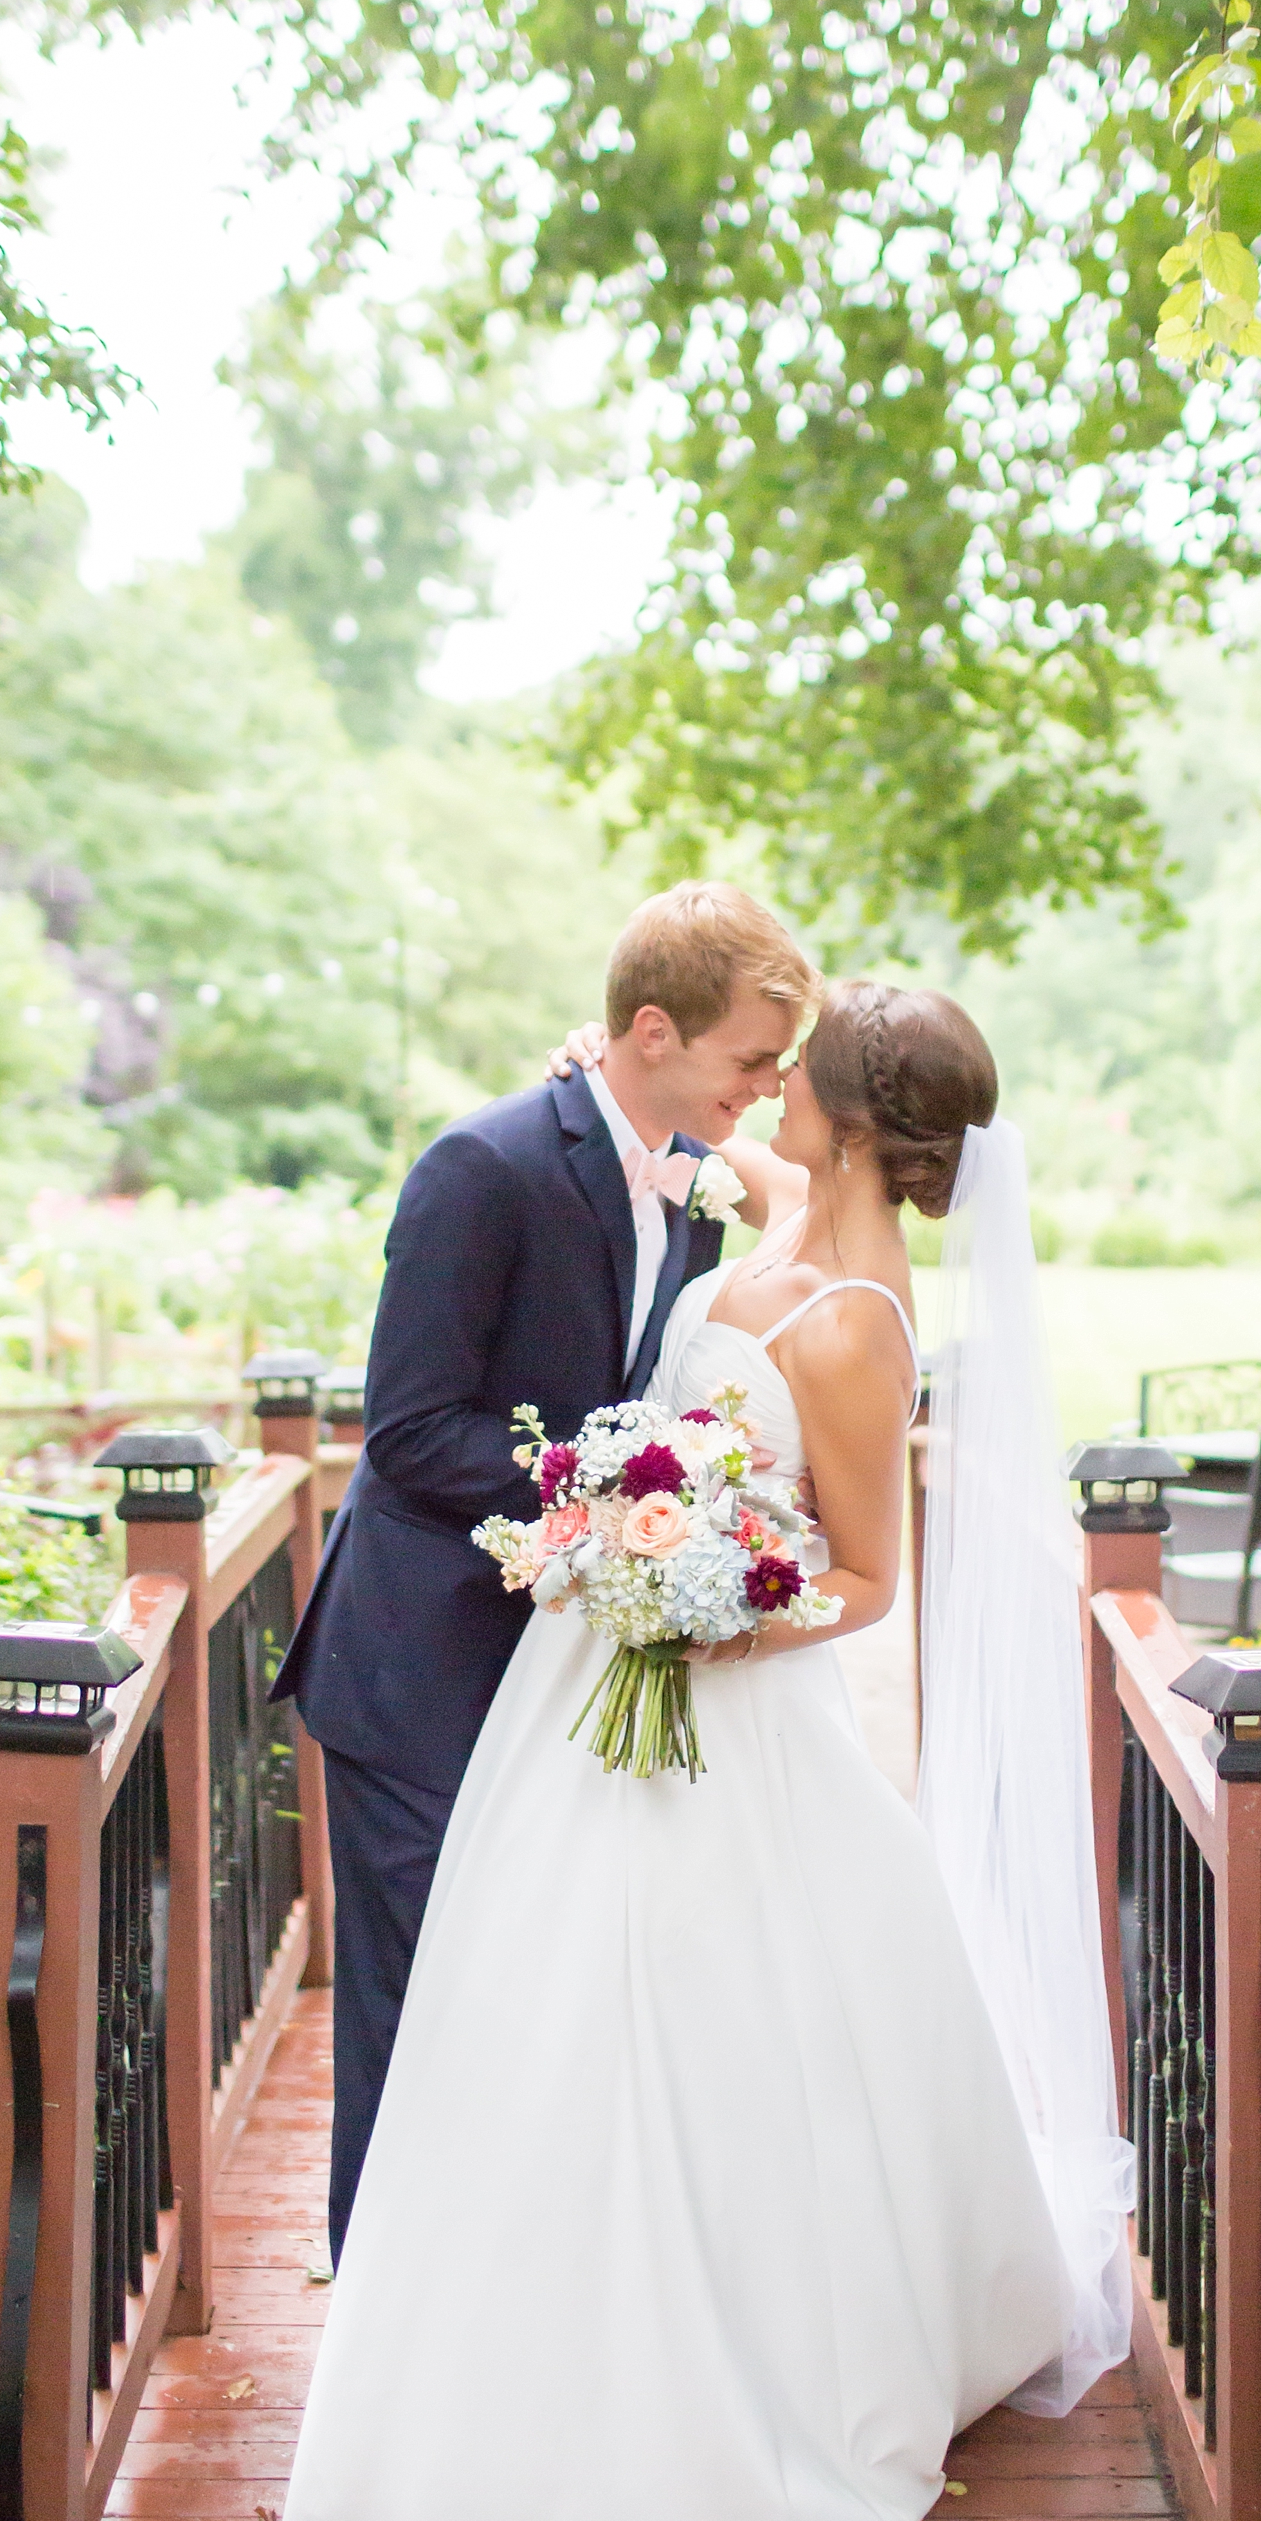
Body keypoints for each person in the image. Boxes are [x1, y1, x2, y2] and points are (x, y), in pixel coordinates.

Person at [280, 979, 1133, 2521]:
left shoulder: (862, 1320)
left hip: (714, 1713)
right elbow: (659, 1152)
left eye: (797, 1069)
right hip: (582, 1711)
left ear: (864, 1118)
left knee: (684, 2050)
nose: (772, 1082)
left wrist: (700, 1602)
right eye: (763, 1055)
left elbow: (870, 1578)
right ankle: (500, 2362)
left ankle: (691, 2386)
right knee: (528, 2026)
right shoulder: (762, 1222)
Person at [272, 880, 817, 2260]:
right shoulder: (484, 1166)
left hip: (550, 1662)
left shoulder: (692, 1184)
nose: (767, 1086)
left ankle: (497, 2292)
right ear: (651, 1032)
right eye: (751, 1058)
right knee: (414, 1999)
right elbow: (410, 1431)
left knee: (528, 1985)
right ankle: (378, 2301)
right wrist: (625, 1487)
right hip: (416, 1661)